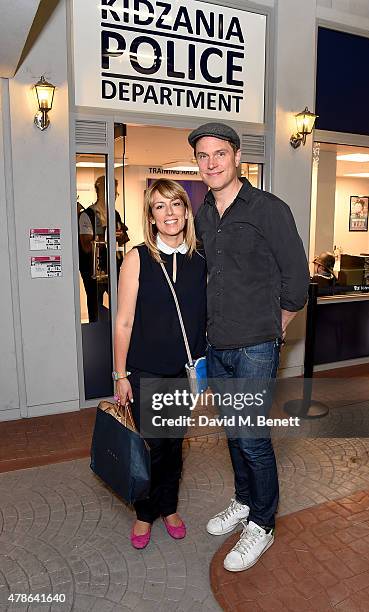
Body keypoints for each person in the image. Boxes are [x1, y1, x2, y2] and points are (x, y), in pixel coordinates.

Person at [188, 122, 309, 572]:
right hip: (217, 345)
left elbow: (297, 279)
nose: (212, 162)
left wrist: (274, 327)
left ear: (237, 157)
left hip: (255, 347)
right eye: (203, 156)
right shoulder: (204, 214)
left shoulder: (267, 209)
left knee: (253, 438)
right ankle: (242, 501)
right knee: (233, 434)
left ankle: (262, 522)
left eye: (220, 153)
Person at [113, 178, 206, 549]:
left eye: (176, 205)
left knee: (174, 443)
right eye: (160, 207)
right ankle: (144, 512)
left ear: (186, 210)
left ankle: (169, 507)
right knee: (153, 445)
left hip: (184, 372)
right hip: (146, 372)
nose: (169, 213)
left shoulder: (200, 261)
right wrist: (120, 373)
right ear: (151, 218)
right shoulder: (137, 258)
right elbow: (123, 321)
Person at [79, 176, 129, 322]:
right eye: (113, 191)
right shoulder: (86, 215)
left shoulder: (115, 214)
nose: (115, 195)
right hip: (93, 269)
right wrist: (111, 235)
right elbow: (87, 247)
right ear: (102, 191)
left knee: (121, 302)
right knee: (95, 306)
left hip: (112, 266)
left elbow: (124, 238)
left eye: (116, 192)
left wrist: (117, 235)